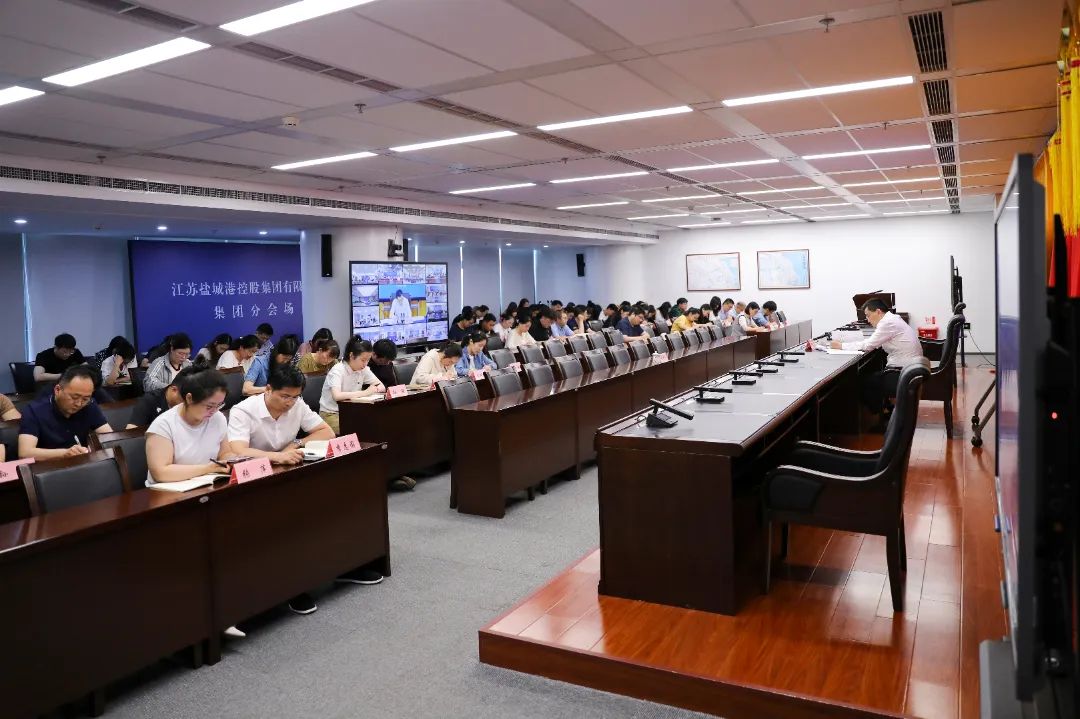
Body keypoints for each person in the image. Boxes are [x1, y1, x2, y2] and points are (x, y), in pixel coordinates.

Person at [227, 366, 374, 613]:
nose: (290, 402)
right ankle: (290, 587)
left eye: (295, 397)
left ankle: (341, 567)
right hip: (255, 483)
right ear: (268, 389)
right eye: (285, 396)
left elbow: (325, 431)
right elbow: (237, 451)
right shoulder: (244, 410)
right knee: (291, 524)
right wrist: (276, 456)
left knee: (336, 506)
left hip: (288, 472)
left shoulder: (297, 404)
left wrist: (295, 443)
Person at [831, 298, 924, 421]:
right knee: (871, 374)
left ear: (878, 311)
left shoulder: (887, 323)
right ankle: (886, 409)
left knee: (862, 382)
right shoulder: (893, 319)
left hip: (901, 373)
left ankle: (880, 415)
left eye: (868, 315)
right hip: (908, 369)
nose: (868, 320)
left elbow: (868, 345)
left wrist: (841, 346)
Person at [18, 366, 112, 460]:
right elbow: (25, 453)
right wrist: (65, 453)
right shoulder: (34, 410)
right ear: (57, 390)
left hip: (82, 463)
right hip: (49, 465)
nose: (79, 404)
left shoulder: (89, 405)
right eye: (74, 397)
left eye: (85, 399)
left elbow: (109, 438)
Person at [318, 337, 386, 434]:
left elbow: (381, 386)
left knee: (378, 424)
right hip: (331, 414)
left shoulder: (363, 369)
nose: (365, 364)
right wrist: (365, 392)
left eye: (368, 360)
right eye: (363, 360)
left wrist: (374, 390)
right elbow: (337, 396)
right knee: (358, 430)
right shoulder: (338, 370)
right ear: (351, 356)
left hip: (352, 411)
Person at [127, 367, 197, 428]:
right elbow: (131, 432)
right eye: (184, 399)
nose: (187, 404)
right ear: (174, 390)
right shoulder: (149, 400)